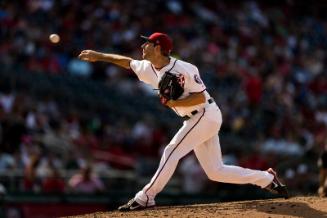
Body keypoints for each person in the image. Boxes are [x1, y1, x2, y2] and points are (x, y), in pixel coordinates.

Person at [78, 32, 288, 211]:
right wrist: (99, 56)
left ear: (158, 47)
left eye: (148, 43)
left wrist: (171, 101)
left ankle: (145, 197)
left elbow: (200, 98)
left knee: (172, 150)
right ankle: (267, 179)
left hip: (205, 113)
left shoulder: (186, 69)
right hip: (195, 118)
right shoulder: (148, 67)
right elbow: (126, 62)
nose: (143, 46)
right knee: (216, 171)